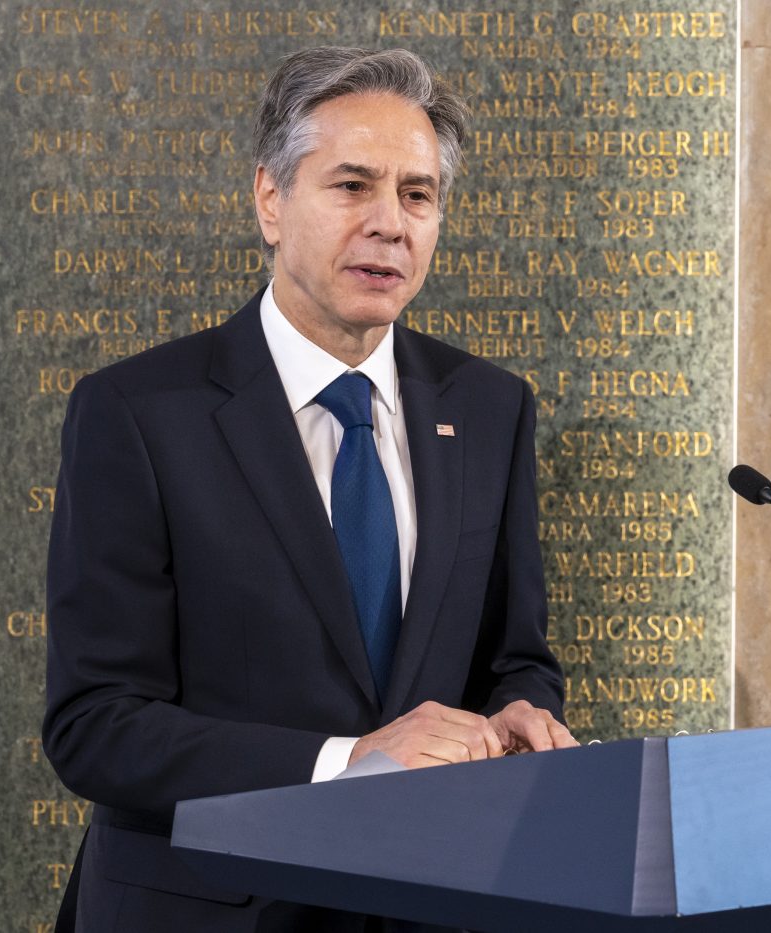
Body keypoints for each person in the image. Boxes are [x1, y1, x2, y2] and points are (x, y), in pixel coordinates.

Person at [42, 46, 574, 932]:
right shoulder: (137, 413)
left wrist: (523, 714)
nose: (390, 224)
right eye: (352, 185)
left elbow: (515, 655)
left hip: (430, 901)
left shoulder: (488, 407)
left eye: (417, 194)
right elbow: (95, 724)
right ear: (270, 200)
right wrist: (347, 758)